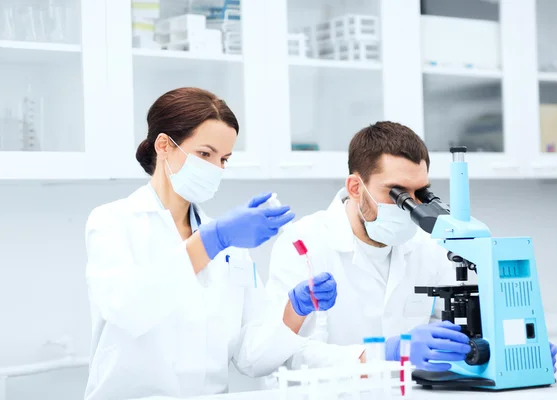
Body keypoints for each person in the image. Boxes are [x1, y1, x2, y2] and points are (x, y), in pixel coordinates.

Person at [83, 88, 365, 400]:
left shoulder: (230, 246)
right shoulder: (114, 222)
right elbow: (129, 310)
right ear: (164, 145)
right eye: (205, 154)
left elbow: (249, 357)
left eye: (224, 159)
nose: (216, 169)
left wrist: (295, 310)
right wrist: (212, 240)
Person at [266, 121, 557, 373]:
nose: (409, 206)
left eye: (418, 193)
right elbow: (293, 357)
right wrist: (391, 351)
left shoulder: (427, 244)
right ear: (356, 188)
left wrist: (514, 345)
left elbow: (456, 328)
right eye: (396, 193)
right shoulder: (303, 243)